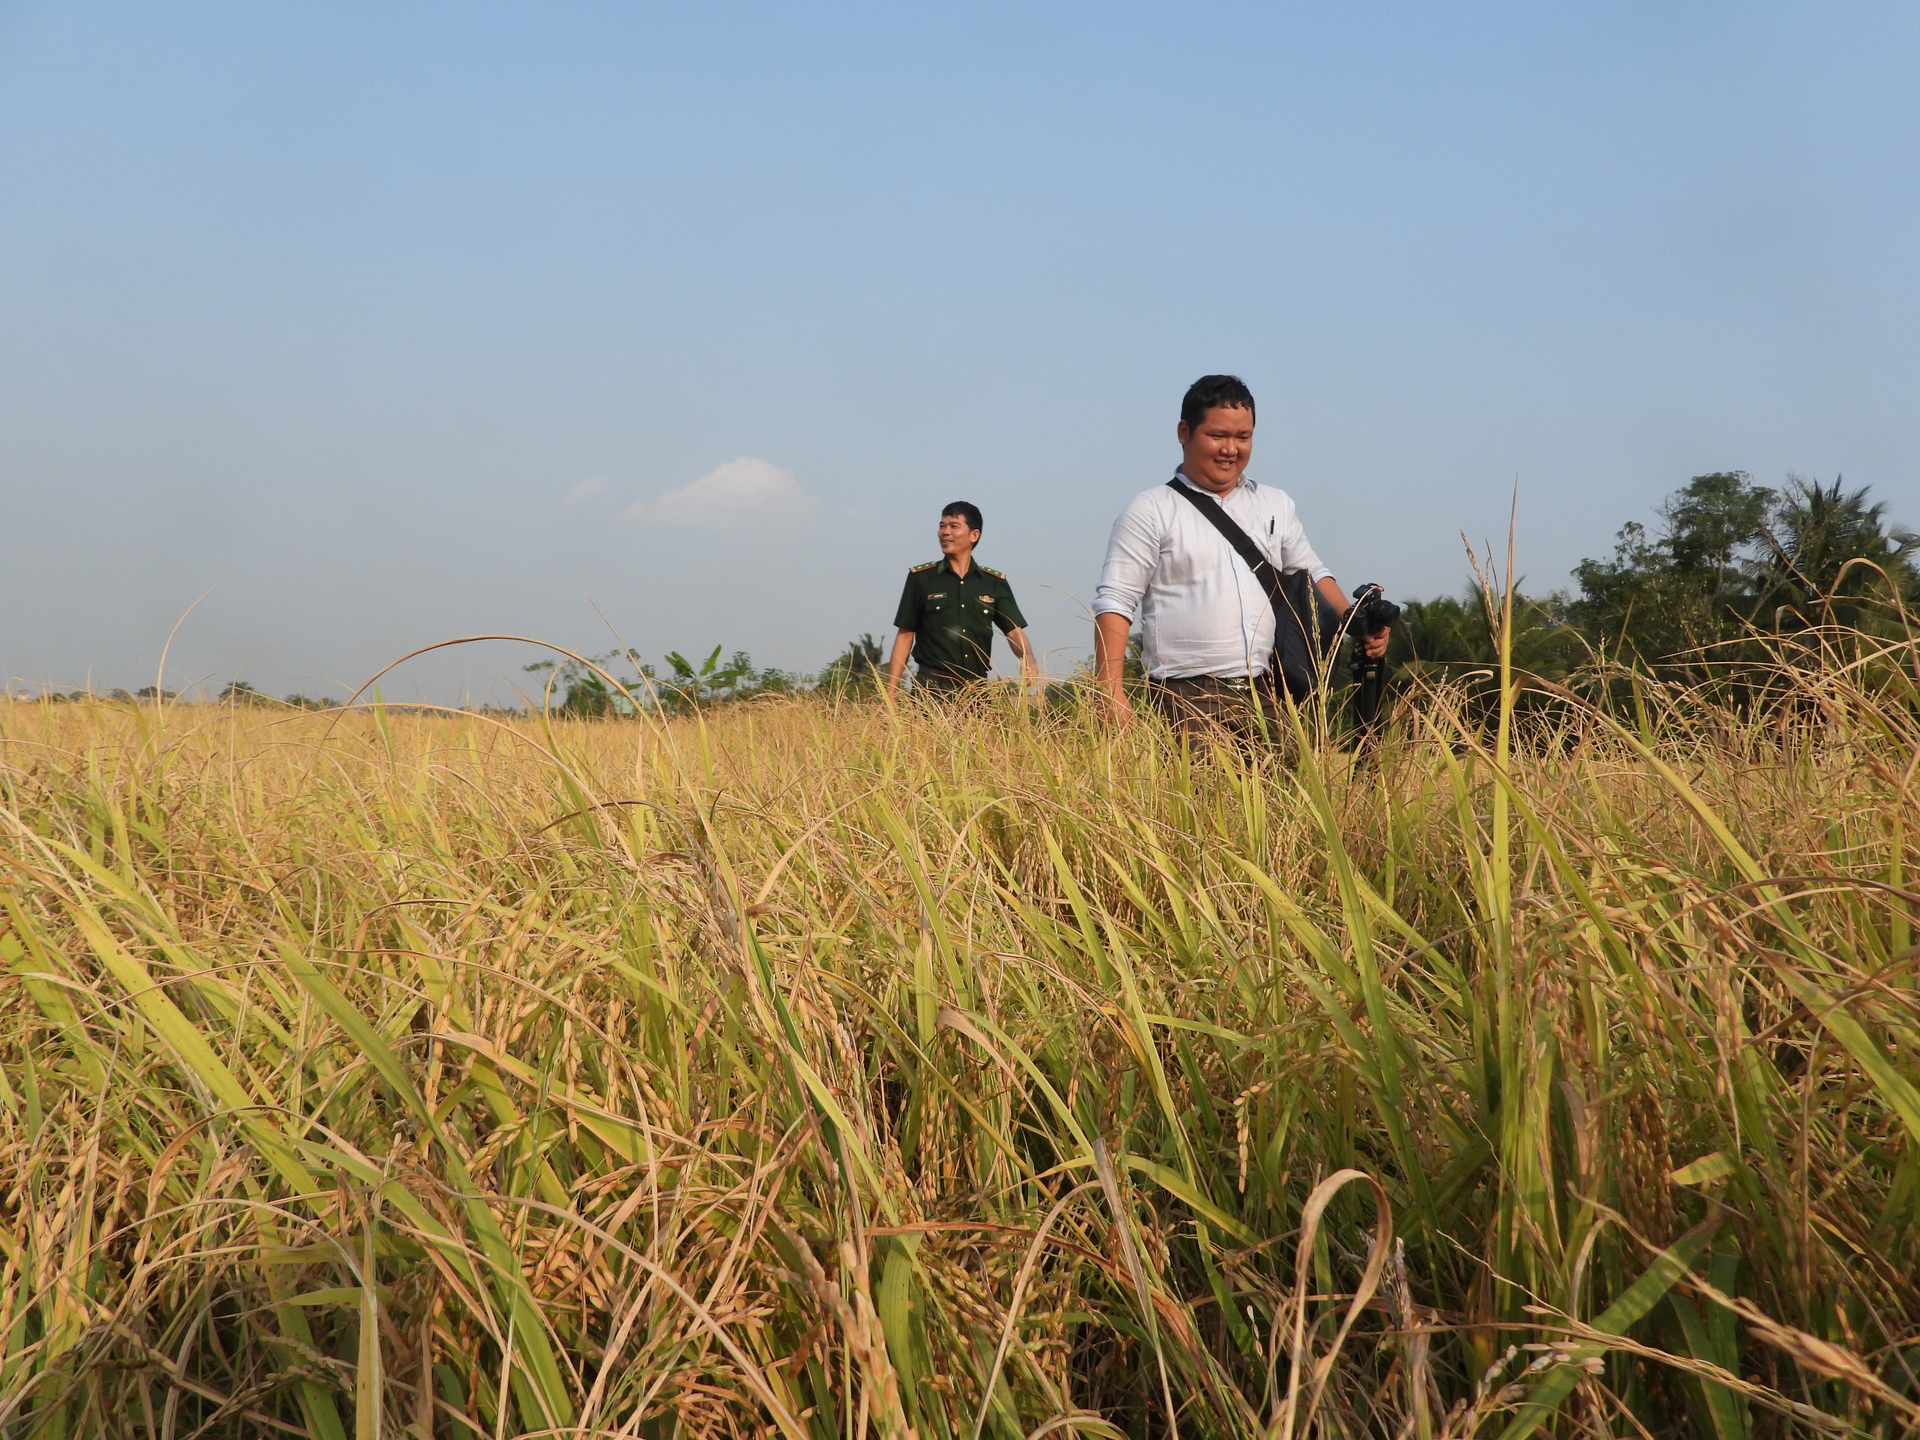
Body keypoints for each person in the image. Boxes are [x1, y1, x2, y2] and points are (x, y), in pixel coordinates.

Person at [1092, 374, 1391, 740]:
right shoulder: (1151, 509)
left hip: (1268, 696)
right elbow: (1116, 600)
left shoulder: (1275, 503)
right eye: (1217, 436)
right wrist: (1110, 690)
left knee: (1281, 796)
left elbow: (1312, 571)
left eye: (1242, 437)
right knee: (1200, 797)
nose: (1230, 449)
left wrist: (1354, 625)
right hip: (1187, 699)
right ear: (1184, 432)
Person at [886, 502, 1039, 696]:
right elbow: (905, 634)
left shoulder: (993, 583)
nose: (945, 532)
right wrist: (890, 693)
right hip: (931, 689)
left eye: (954, 526)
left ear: (974, 535)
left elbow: (1014, 630)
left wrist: (1029, 659)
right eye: (942, 526)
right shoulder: (922, 578)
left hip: (976, 692)